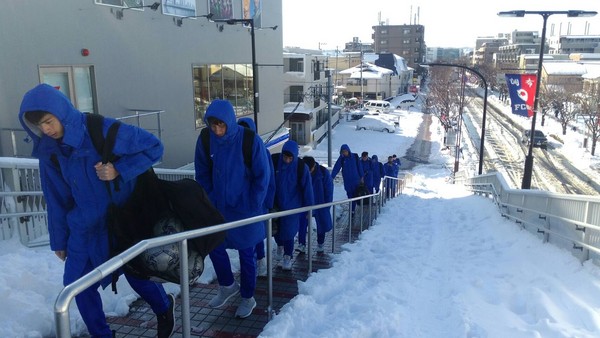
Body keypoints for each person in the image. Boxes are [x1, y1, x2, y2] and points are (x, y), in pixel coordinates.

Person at [18, 84, 175, 338]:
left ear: (61, 111)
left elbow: (154, 147)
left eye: (49, 121)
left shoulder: (101, 129)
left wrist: (119, 169)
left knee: (137, 276)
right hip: (85, 226)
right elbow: (56, 198)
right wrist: (60, 240)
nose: (46, 130)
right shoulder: (50, 152)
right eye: (40, 126)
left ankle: (164, 306)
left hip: (122, 220)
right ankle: (102, 335)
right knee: (77, 286)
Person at [194, 100, 270, 319]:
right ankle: (227, 285)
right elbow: (202, 172)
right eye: (213, 125)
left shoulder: (249, 140)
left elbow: (262, 177)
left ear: (229, 122)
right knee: (214, 247)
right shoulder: (206, 140)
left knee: (247, 254)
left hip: (245, 210)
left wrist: (252, 205)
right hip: (218, 208)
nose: (217, 130)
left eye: (221, 125)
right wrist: (210, 199)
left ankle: (248, 297)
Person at [237, 117, 275, 278]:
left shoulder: (261, 151)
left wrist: (268, 201)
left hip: (257, 201)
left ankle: (259, 261)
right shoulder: (232, 151)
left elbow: (269, 178)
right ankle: (254, 264)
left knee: (255, 234)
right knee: (245, 237)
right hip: (238, 203)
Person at [272, 140, 314, 270]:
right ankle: (280, 246)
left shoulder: (301, 167)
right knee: (276, 231)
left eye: (291, 158)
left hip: (292, 205)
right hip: (276, 204)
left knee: (289, 232)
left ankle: (287, 256)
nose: (287, 160)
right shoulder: (274, 161)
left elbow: (307, 188)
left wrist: (309, 208)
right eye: (285, 157)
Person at [298, 156, 334, 253]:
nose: (308, 172)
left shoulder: (323, 172)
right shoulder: (301, 171)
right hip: (305, 203)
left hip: (319, 202)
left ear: (314, 165)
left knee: (321, 223)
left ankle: (320, 243)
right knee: (302, 223)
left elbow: (329, 190)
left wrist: (327, 205)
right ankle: (301, 243)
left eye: (310, 170)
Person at [331, 144, 363, 214]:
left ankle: (352, 210)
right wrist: (331, 177)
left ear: (348, 150)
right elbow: (336, 168)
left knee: (355, 194)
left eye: (345, 151)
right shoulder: (342, 159)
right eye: (343, 151)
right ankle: (352, 208)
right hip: (347, 181)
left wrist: (362, 177)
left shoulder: (355, 157)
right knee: (349, 194)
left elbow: (359, 167)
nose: (344, 153)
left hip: (356, 180)